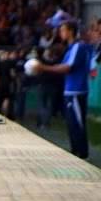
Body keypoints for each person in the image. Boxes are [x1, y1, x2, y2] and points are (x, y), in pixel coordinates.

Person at [36, 21, 92, 158]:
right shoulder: (71, 48)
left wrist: (44, 68)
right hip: (70, 91)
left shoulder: (78, 46)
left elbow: (67, 68)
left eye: (63, 30)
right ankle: (75, 151)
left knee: (77, 123)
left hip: (76, 91)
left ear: (71, 31)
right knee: (71, 123)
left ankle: (82, 153)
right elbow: (63, 67)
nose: (61, 33)